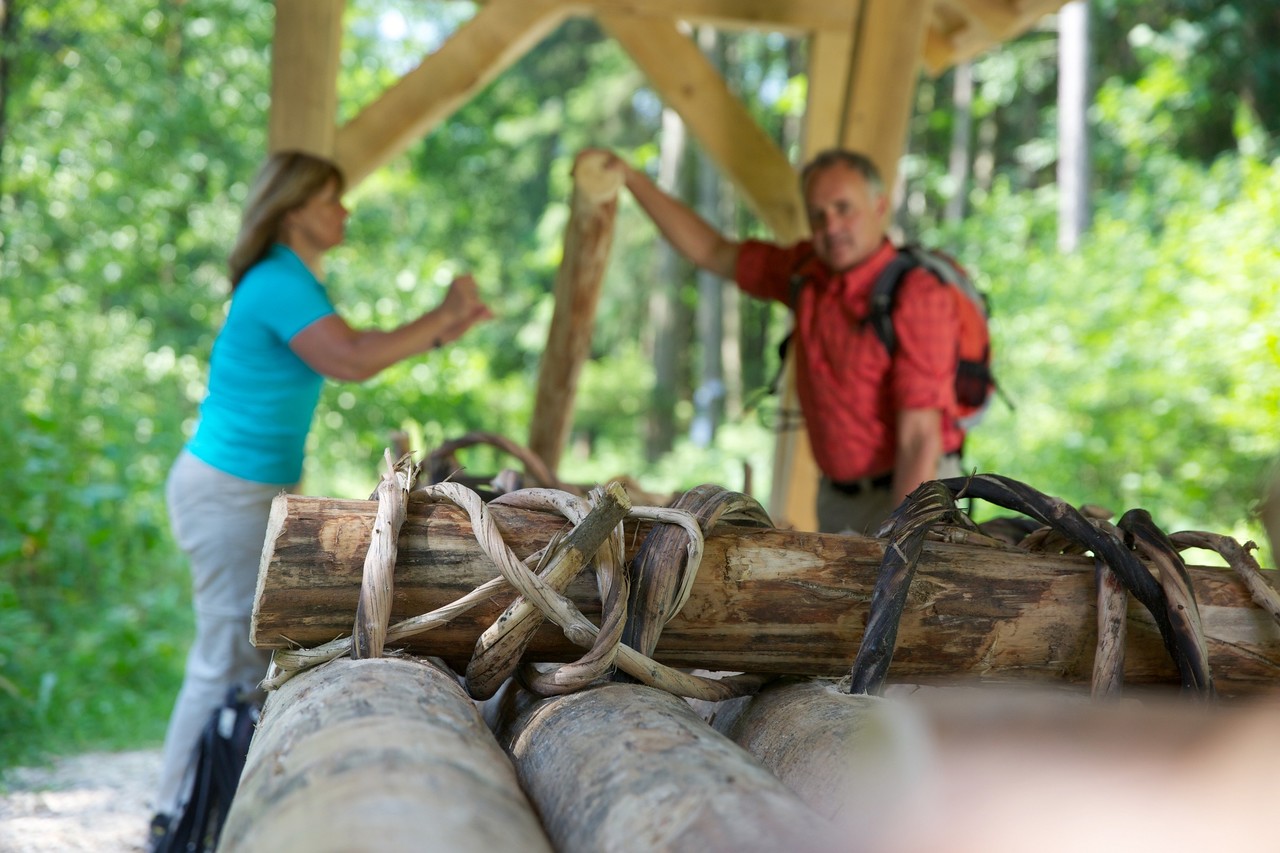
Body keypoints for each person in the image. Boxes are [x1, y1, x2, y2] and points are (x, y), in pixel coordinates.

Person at [149, 151, 492, 846]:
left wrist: (444, 326)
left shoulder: (293, 278)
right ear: (295, 208)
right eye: (332, 199)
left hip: (246, 492)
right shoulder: (278, 278)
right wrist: (441, 316)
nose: (344, 210)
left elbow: (354, 349)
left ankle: (214, 810)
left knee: (245, 656)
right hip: (225, 494)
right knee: (226, 658)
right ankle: (171, 819)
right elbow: (352, 358)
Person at [597, 147, 964, 535]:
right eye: (818, 215)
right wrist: (632, 179)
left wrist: (904, 536)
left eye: (844, 208)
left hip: (914, 490)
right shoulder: (805, 273)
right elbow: (713, 251)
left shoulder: (917, 295)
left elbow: (919, 439)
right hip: (838, 496)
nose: (831, 226)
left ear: (879, 205)